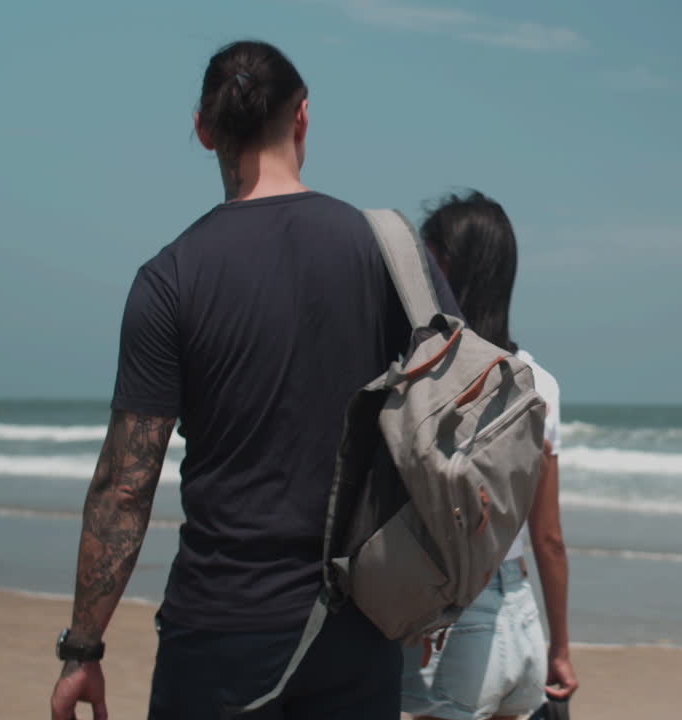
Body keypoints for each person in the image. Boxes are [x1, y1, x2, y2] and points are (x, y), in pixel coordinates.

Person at [48, 40, 458, 720]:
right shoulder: (391, 252)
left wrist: (83, 648)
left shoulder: (170, 278)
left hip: (218, 629)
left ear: (205, 129)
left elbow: (124, 488)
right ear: (303, 118)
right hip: (359, 620)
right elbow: (455, 426)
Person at [400, 191, 579, 720]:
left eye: (429, 261)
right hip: (521, 619)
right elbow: (549, 539)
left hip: (454, 626)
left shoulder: (429, 379)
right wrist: (560, 650)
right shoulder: (539, 382)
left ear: (452, 268)